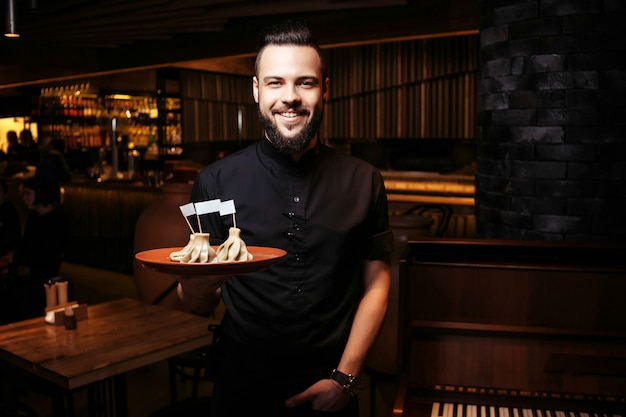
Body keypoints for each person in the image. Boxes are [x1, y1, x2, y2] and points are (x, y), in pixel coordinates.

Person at [176, 20, 393, 417]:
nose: (289, 97)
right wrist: (194, 289)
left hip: (332, 387)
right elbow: (195, 299)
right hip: (241, 389)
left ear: (324, 89)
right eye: (275, 82)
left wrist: (345, 379)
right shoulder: (215, 181)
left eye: (305, 82)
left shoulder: (364, 180)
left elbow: (377, 282)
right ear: (257, 90)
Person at [11, 175, 70, 320]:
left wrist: (19, 257)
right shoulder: (34, 217)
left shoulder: (57, 221)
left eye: (28, 194)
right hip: (30, 276)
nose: (24, 198)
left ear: (40, 193)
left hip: (45, 281)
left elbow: (47, 255)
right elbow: (26, 245)